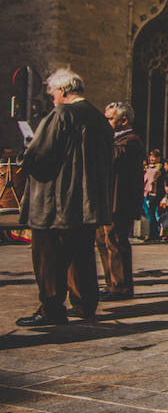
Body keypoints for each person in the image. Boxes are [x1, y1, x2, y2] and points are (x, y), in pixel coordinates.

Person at [16, 69, 112, 326]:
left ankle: (51, 307)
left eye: (53, 94)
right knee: (81, 252)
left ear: (63, 91)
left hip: (56, 201)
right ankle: (84, 303)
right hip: (87, 201)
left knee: (48, 255)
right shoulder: (99, 118)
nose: (52, 100)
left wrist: (26, 156)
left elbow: (39, 156)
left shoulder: (61, 115)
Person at [95, 102, 144, 302]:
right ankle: (111, 283)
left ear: (123, 121)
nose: (106, 122)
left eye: (110, 119)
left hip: (119, 203)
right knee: (103, 242)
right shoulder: (115, 140)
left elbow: (113, 157)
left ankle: (121, 286)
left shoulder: (131, 141)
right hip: (105, 201)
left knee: (115, 241)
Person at [142, 149, 164, 240]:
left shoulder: (159, 168)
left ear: (158, 158)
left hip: (155, 193)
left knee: (152, 213)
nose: (152, 158)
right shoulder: (149, 167)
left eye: (154, 157)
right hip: (147, 193)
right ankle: (152, 232)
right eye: (151, 156)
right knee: (149, 213)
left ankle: (153, 233)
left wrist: (148, 169)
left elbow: (153, 177)